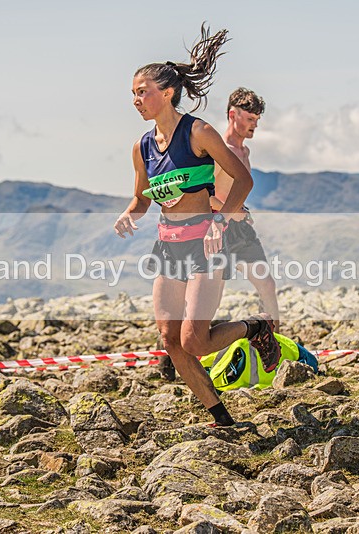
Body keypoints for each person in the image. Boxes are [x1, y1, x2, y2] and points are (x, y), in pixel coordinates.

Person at [113, 24, 281, 427]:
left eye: (142, 91)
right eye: (133, 92)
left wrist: (218, 223)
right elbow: (143, 198)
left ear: (167, 92)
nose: (136, 99)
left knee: (196, 342)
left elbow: (243, 180)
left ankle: (254, 326)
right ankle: (222, 419)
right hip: (168, 248)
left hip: (206, 246)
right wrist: (128, 214)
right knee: (171, 340)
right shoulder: (142, 147)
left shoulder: (199, 132)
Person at [211, 88, 280, 331]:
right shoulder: (219, 150)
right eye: (250, 119)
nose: (255, 126)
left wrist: (242, 214)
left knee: (267, 285)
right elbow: (205, 195)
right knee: (211, 300)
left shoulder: (245, 151)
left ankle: (275, 349)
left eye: (257, 120)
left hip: (241, 229)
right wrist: (232, 213)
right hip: (217, 230)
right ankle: (177, 354)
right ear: (233, 115)